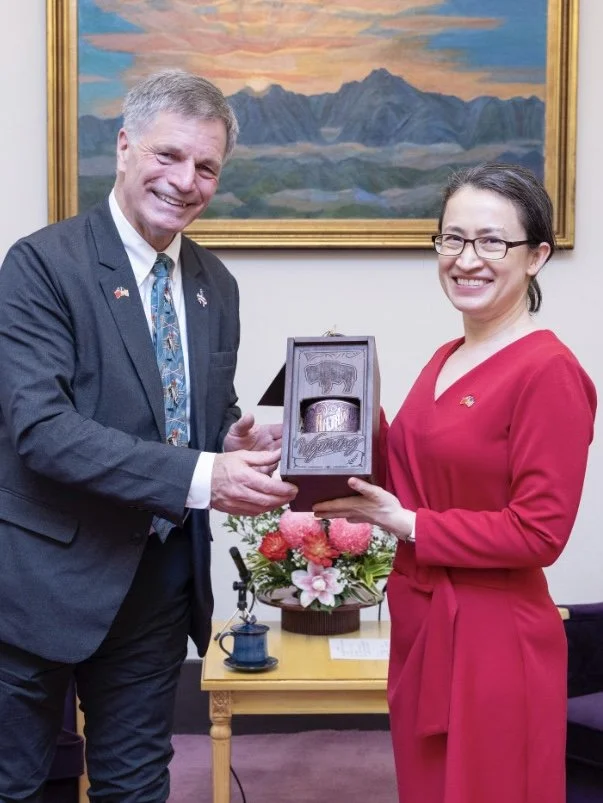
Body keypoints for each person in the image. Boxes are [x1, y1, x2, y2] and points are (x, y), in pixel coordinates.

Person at [0, 69, 297, 802]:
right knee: (16, 784)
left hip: (157, 581)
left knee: (136, 787)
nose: (185, 181)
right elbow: (42, 431)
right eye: (169, 155)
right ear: (125, 146)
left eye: (205, 167)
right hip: (40, 581)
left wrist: (231, 443)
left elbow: (191, 416)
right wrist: (203, 477)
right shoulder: (41, 265)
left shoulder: (213, 283)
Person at [314, 163, 597, 803]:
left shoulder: (548, 371)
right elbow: (410, 472)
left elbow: (539, 532)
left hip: (495, 640)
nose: (467, 260)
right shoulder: (447, 356)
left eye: (493, 241)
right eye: (452, 239)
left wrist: (411, 526)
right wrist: (327, 428)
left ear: (537, 257)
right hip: (425, 625)